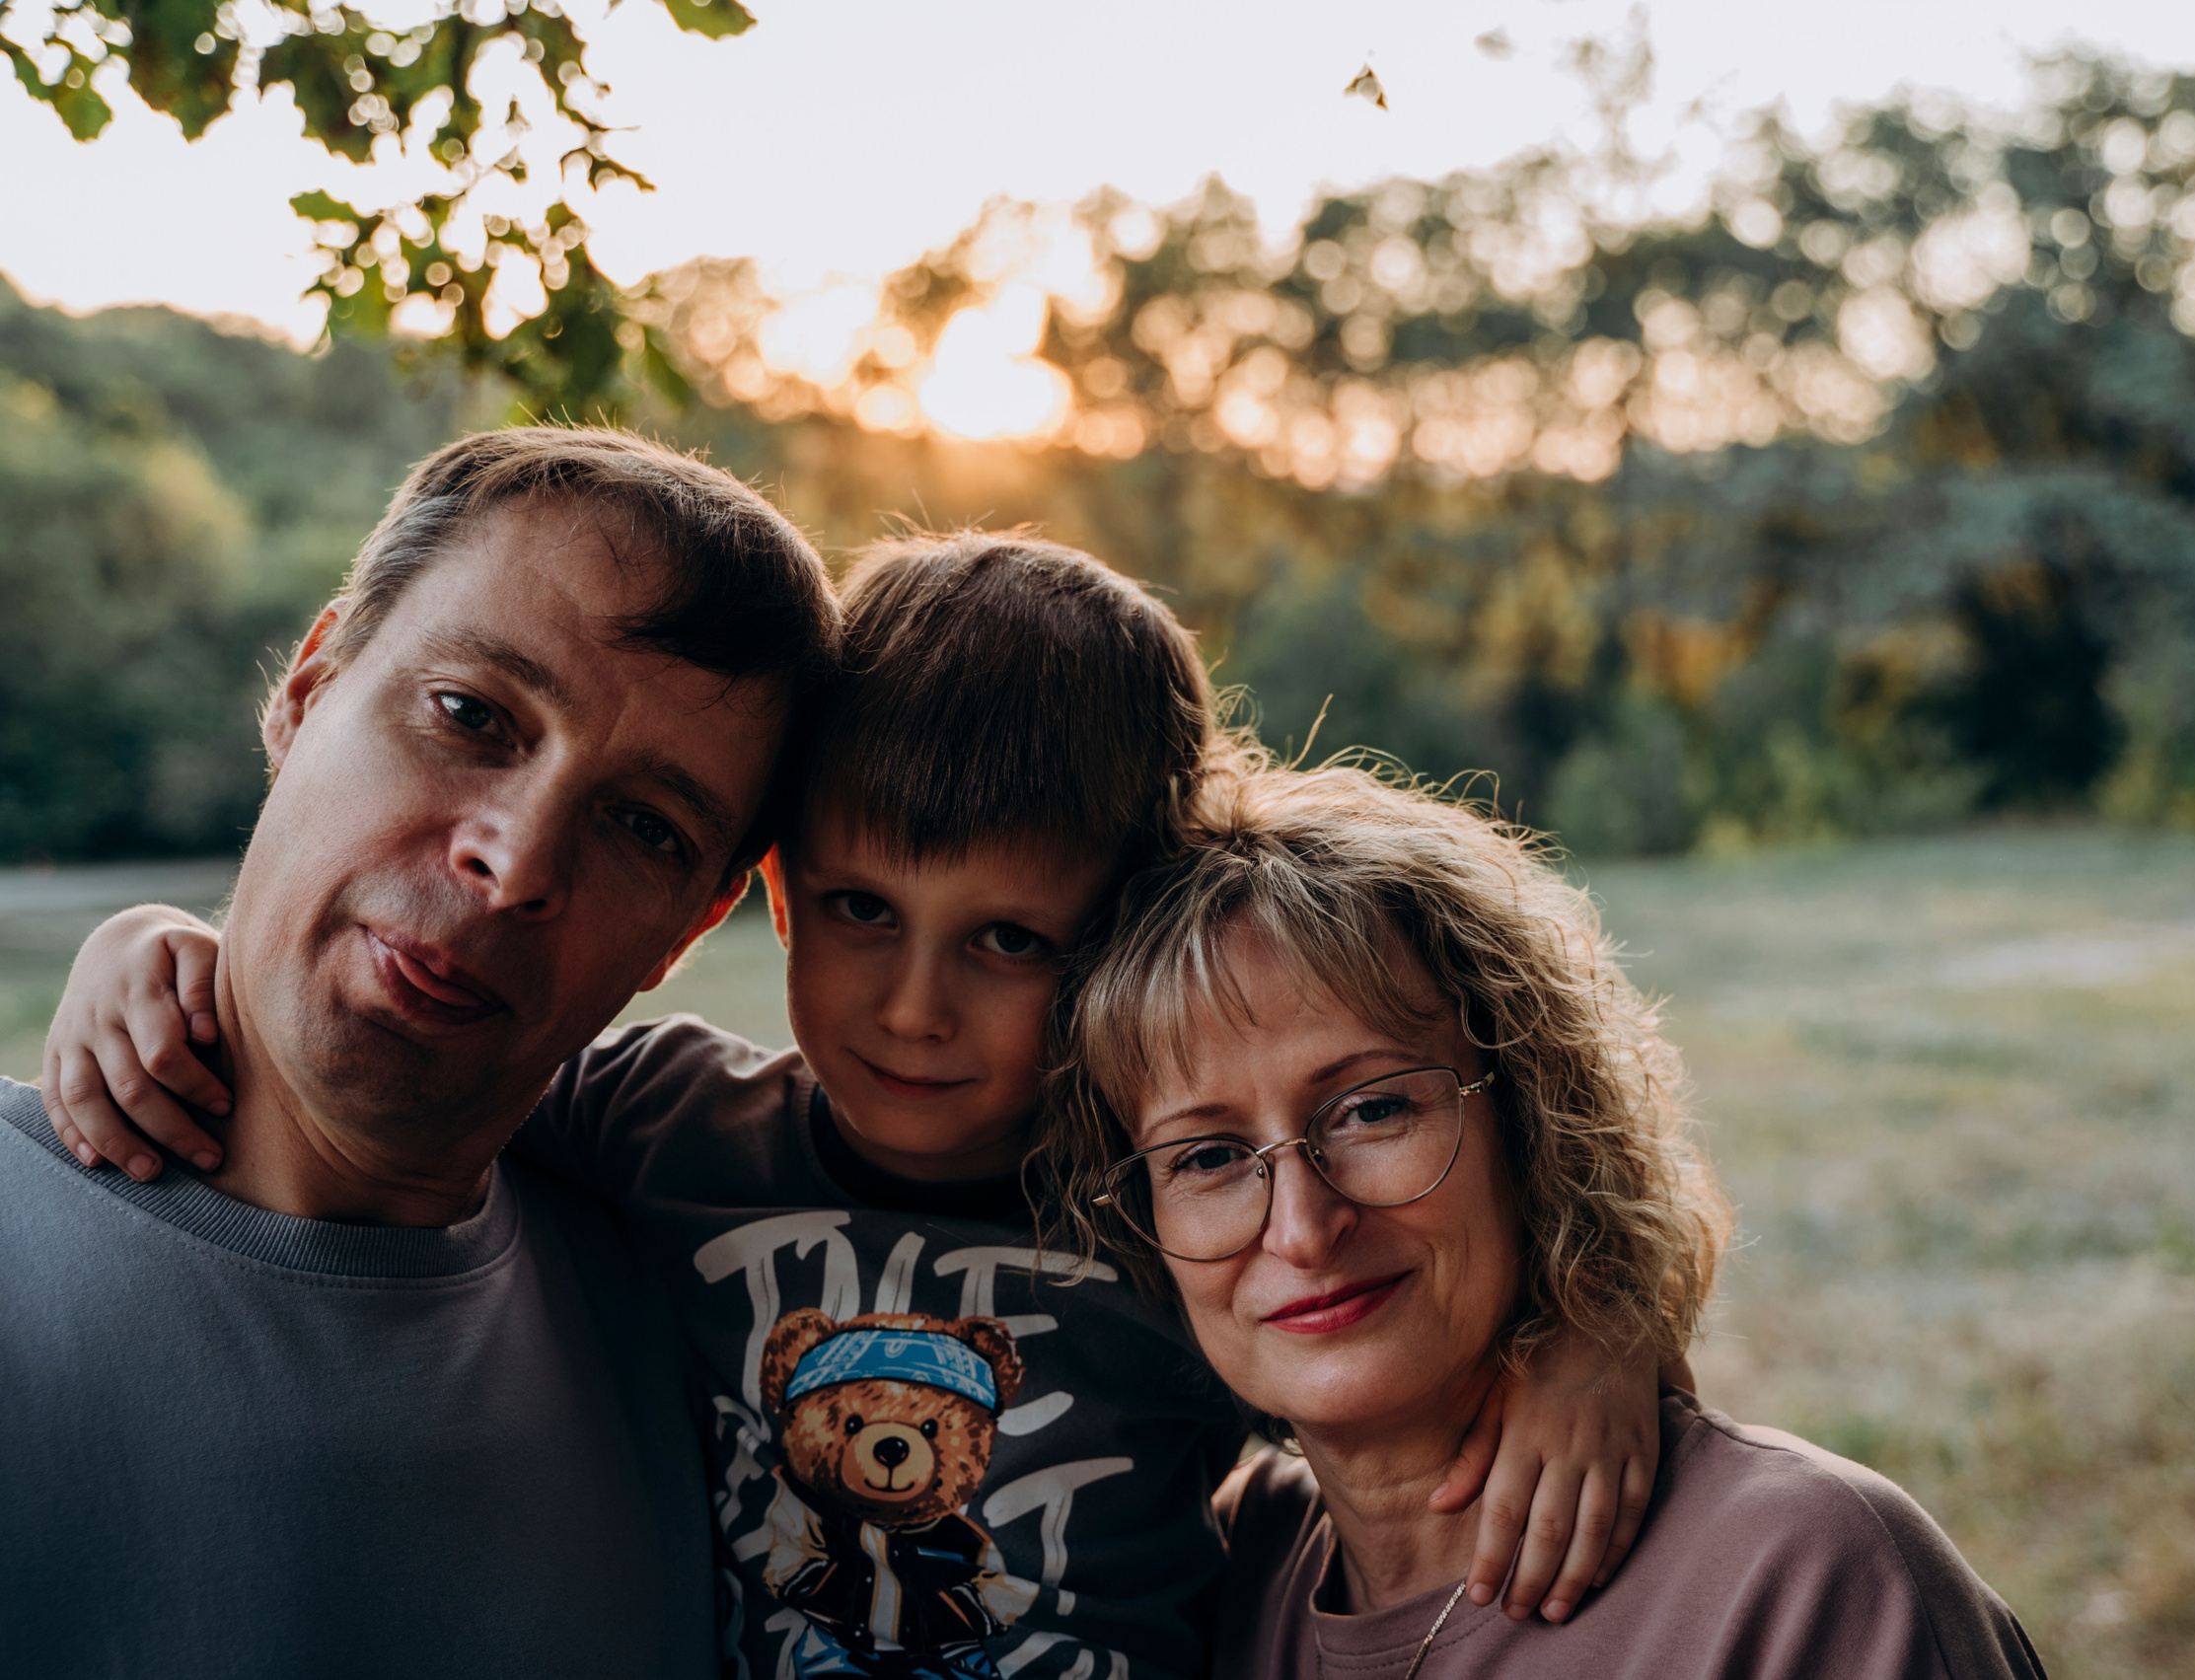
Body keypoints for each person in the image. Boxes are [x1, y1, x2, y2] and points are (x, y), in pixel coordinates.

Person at [45, 535, 1664, 1680]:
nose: (912, 1007)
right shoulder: (657, 1119)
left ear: (1119, 931)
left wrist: (1602, 1331)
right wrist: (170, 949)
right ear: (775, 888)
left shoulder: (1171, 1208)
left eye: (1010, 939)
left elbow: (1402, 1350)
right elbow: (399, 1067)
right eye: (861, 909)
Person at [5, 426, 839, 1678]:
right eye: (470, 713)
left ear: (692, 925)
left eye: (643, 825)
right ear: (310, 686)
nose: (517, 861)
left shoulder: (707, 1334)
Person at [1035, 762, 2053, 1680]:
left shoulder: (1806, 1578)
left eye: (1373, 1109)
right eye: (1208, 1157)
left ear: (1530, 1116)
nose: (1302, 1227)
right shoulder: (1201, 1576)